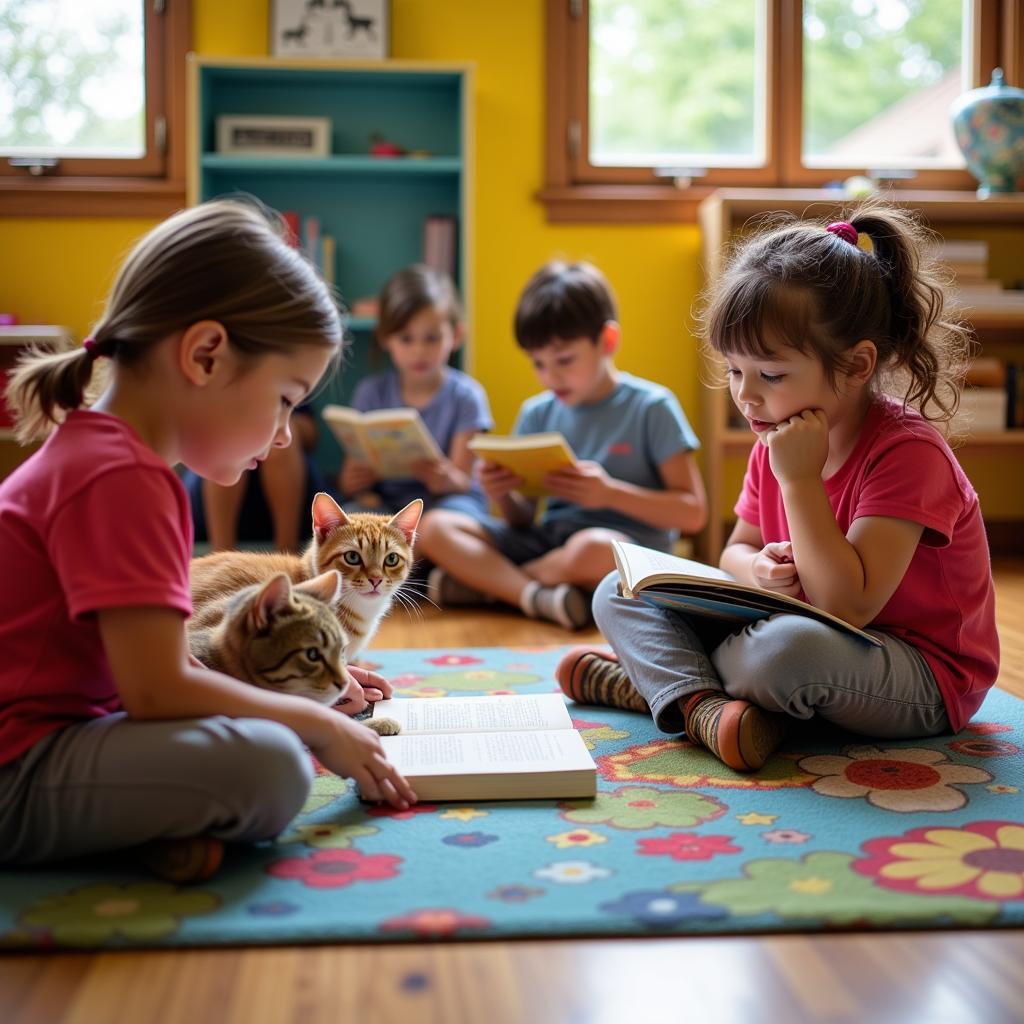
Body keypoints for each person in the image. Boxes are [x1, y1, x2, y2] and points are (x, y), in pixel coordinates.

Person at [0, 199, 416, 884]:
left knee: (274, 729)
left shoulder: (109, 456)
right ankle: (131, 836)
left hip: (73, 729)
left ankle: (151, 831)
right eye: (285, 398)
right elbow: (159, 691)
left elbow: (153, 676)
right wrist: (315, 725)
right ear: (206, 355)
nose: (286, 433)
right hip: (20, 771)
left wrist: (310, 692)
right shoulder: (123, 478)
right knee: (273, 766)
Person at [558, 205, 999, 772]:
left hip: (918, 670)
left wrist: (799, 479)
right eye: (735, 372)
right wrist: (758, 572)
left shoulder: (906, 452)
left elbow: (849, 604)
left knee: (780, 654)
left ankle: (660, 683)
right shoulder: (776, 436)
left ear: (857, 364)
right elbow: (733, 551)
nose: (746, 397)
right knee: (615, 591)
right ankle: (702, 705)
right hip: (794, 628)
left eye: (770, 375)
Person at [417, 260, 708, 630]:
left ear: (607, 341)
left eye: (565, 360)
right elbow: (523, 518)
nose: (550, 376)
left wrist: (610, 494)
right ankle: (539, 597)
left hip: (622, 549)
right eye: (538, 363)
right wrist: (502, 495)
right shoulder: (537, 412)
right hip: (548, 542)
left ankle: (495, 586)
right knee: (435, 527)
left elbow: (693, 512)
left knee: (593, 548)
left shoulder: (651, 406)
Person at [338, 264, 493, 516]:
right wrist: (353, 481)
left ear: (456, 335)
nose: (419, 351)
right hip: (387, 507)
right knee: (349, 520)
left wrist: (446, 479)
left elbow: (464, 483)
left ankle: (413, 545)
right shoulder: (371, 393)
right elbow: (349, 483)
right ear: (385, 338)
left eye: (431, 338)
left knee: (441, 525)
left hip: (448, 505)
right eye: (406, 339)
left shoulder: (466, 396)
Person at [184, 402, 324, 552]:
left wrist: (275, 424)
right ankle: (222, 555)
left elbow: (309, 432)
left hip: (295, 483)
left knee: (280, 444)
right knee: (229, 431)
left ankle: (286, 554)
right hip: (206, 496)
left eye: (287, 402)